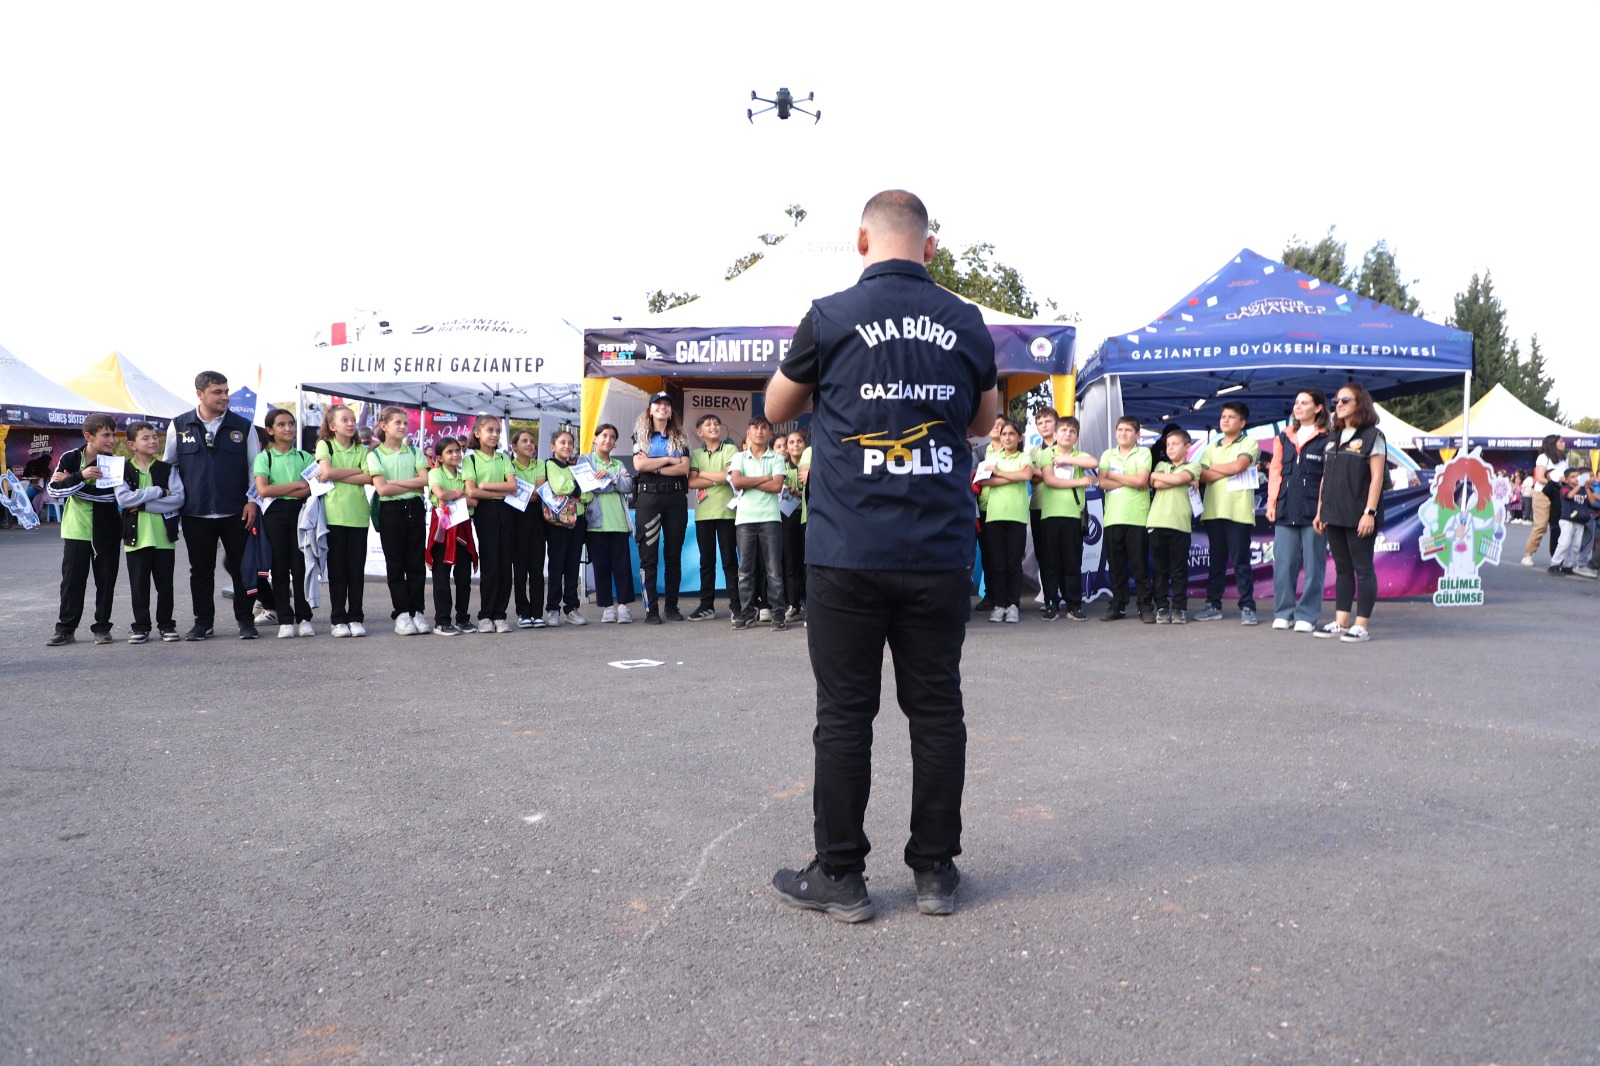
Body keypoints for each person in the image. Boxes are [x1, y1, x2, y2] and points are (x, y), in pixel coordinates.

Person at [765, 189, 998, 921]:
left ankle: (841, 875)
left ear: (862, 242)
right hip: (936, 547)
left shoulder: (829, 314)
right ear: (930, 248)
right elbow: (985, 420)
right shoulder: (965, 321)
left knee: (844, 715)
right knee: (936, 711)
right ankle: (934, 870)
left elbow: (776, 408)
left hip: (847, 547)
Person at [164, 370, 260, 640]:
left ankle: (246, 621)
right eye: (218, 392)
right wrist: (174, 502)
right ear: (200, 394)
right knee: (201, 571)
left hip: (237, 511)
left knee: (243, 569)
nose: (225, 397)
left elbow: (256, 467)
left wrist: (252, 500)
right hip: (195, 513)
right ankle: (202, 623)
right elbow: (169, 465)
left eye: (226, 391)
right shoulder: (179, 425)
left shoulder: (243, 426)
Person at [1314, 382, 1386, 644]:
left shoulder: (1372, 436)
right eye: (1337, 400)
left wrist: (1369, 512)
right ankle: (1341, 621)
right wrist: (1320, 509)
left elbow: (1377, 478)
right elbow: (1325, 477)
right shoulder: (1333, 436)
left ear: (1360, 403)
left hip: (1359, 513)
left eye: (1345, 400)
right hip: (1334, 512)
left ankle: (1361, 625)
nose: (1339, 404)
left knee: (1363, 568)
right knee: (1343, 569)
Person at [46, 414, 125, 646]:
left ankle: (102, 628)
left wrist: (72, 483)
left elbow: (108, 497)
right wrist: (81, 475)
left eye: (114, 435)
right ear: (88, 436)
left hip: (107, 531)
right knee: (72, 583)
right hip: (76, 531)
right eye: (106, 435)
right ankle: (65, 629)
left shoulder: (113, 463)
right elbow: (54, 492)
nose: (111, 440)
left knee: (106, 582)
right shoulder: (70, 458)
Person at [112, 421, 186, 644]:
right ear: (132, 444)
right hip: (136, 539)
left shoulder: (167, 469)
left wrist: (143, 504)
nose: (153, 441)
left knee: (165, 586)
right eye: (146, 438)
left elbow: (178, 499)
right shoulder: (123, 469)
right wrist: (158, 492)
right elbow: (123, 499)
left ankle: (166, 625)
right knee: (139, 585)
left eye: (155, 437)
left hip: (164, 537)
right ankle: (141, 626)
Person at [1267, 389, 1331, 633]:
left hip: (1314, 509)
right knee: (1283, 563)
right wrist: (1272, 502)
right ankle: (1283, 612)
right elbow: (1275, 471)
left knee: (1314, 565)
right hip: (1285, 506)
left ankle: (1307, 614)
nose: (1298, 406)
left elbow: (1329, 476)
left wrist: (1322, 511)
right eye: (1296, 402)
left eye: (1304, 403)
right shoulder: (1284, 437)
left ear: (1318, 408)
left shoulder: (1328, 437)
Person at [365, 406, 432, 636]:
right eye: (398, 422)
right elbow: (382, 489)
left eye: (405, 423)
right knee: (396, 564)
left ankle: (417, 611)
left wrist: (398, 483)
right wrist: (409, 481)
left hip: (414, 508)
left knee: (416, 563)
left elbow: (424, 480)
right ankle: (402, 613)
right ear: (384, 426)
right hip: (390, 511)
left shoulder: (414, 452)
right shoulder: (375, 455)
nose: (403, 426)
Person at [1193, 401, 1261, 625]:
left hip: (1238, 511)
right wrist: (1222, 469)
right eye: (1223, 416)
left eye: (1231, 417)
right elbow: (1201, 475)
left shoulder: (1249, 442)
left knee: (1241, 561)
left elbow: (1239, 466)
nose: (1225, 420)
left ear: (1242, 422)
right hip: (1213, 511)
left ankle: (1248, 606)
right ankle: (1213, 605)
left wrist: (1213, 469)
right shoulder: (1212, 447)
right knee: (1216, 562)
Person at [252, 408, 315, 638]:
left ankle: (304, 617)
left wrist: (296, 489)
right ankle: (285, 619)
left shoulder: (304, 457)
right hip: (274, 514)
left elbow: (311, 489)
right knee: (279, 566)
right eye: (281, 424)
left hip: (300, 512)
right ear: (270, 430)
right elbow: (263, 489)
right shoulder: (264, 457)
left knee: (300, 566)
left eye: (291, 423)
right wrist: (296, 485)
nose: (288, 428)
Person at [314, 404, 373, 637]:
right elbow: (325, 472)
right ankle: (338, 618)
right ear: (332, 426)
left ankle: (356, 617)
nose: (350, 424)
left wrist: (340, 472)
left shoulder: (362, 449)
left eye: (353, 420)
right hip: (333, 515)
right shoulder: (325, 445)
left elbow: (369, 477)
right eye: (344, 420)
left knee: (356, 570)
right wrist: (353, 472)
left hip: (358, 516)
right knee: (337, 570)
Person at [632, 392, 691, 624]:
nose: (663, 407)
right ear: (650, 409)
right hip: (649, 500)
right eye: (658, 404)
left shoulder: (681, 436)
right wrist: (669, 460)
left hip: (676, 499)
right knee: (649, 558)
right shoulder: (640, 434)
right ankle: (651, 610)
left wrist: (654, 465)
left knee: (673, 556)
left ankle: (672, 607)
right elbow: (639, 464)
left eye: (667, 404)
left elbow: (684, 468)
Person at [727, 416, 789, 631]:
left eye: (764, 428)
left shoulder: (777, 458)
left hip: (770, 518)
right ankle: (746, 612)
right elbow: (737, 481)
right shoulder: (739, 457)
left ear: (770, 433)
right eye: (755, 427)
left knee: (773, 570)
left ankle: (778, 612)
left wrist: (750, 482)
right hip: (745, 519)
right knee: (745, 569)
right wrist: (764, 478)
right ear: (748, 432)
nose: (759, 431)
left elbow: (776, 487)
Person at [1034, 415, 1096, 621]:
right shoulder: (1046, 454)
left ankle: (1073, 604)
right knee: (1050, 561)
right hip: (1050, 515)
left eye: (1072, 432)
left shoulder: (1079, 455)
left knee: (1072, 561)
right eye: (1063, 430)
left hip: (1073, 515)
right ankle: (1051, 602)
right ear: (1055, 434)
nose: (1067, 434)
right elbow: (1050, 481)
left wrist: (1067, 459)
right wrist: (1081, 481)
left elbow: (1094, 462)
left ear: (1076, 436)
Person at [462, 414, 515, 633]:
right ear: (477, 433)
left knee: (505, 564)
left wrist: (486, 486)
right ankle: (485, 615)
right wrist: (494, 488)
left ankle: (500, 615)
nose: (494, 435)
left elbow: (512, 486)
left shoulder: (503, 458)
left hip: (506, 510)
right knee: (490, 563)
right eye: (490, 430)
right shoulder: (470, 459)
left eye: (497, 431)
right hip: (484, 512)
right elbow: (472, 490)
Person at [1098, 415, 1154, 623]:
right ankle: (1118, 605)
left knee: (1139, 565)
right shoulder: (1108, 454)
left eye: (1128, 430)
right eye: (1120, 430)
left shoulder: (1144, 453)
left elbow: (1141, 481)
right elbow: (1101, 483)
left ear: (1137, 434)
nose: (1123, 433)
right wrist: (1127, 481)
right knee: (1116, 565)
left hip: (1137, 516)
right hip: (1113, 517)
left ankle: (1145, 606)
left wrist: (1114, 477)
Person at [976, 418, 1031, 623]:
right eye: (1004, 434)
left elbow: (1026, 475)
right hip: (994, 515)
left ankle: (1013, 605)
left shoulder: (1024, 456)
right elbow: (985, 480)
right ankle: (999, 605)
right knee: (997, 563)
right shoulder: (991, 458)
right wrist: (1009, 475)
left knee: (1013, 563)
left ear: (1019, 437)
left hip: (1016, 515)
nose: (1007, 437)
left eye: (1011, 434)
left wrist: (1000, 473)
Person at [686, 414, 740, 621]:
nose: (713, 426)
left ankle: (737, 605)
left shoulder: (730, 449)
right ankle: (706, 606)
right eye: (708, 424)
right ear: (699, 432)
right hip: (703, 515)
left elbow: (730, 476)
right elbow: (691, 482)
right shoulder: (696, 454)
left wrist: (703, 475)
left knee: (729, 561)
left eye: (717, 423)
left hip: (727, 512)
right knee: (706, 562)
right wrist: (719, 477)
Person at [1147, 427, 1202, 624]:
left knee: (1179, 569)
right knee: (1159, 569)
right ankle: (1162, 607)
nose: (1170, 448)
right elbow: (1156, 483)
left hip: (1180, 524)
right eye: (1168, 444)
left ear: (1187, 447)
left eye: (1175, 444)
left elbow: (1178, 478)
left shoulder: (1194, 466)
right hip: (1156, 522)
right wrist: (1173, 479)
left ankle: (1179, 608)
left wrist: (1164, 478)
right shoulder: (1161, 464)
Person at [537, 429, 590, 626]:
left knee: (572, 565)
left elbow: (588, 494)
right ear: (553, 447)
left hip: (578, 520)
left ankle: (571, 608)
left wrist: (576, 489)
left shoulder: (575, 467)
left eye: (570, 443)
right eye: (562, 442)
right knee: (556, 565)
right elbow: (560, 487)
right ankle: (552, 609)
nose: (567, 446)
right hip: (557, 522)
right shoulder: (549, 464)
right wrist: (578, 487)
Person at [585, 423, 636, 623]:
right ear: (595, 438)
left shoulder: (617, 465)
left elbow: (629, 486)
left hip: (620, 524)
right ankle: (607, 607)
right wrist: (615, 483)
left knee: (622, 567)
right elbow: (590, 485)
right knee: (601, 567)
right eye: (604, 435)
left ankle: (623, 606)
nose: (608, 439)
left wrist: (608, 477)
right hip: (596, 524)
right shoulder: (586, 460)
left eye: (612, 437)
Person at [426, 437, 476, 635]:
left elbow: (474, 501)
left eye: (458, 450)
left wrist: (455, 494)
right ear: (439, 456)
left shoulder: (465, 474)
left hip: (462, 525)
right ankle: (442, 621)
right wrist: (458, 492)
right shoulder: (435, 473)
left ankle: (463, 619)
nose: (455, 454)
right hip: (443, 526)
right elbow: (440, 494)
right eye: (449, 452)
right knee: (442, 576)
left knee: (463, 576)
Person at [507, 429, 547, 629]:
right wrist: (521, 490)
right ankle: (523, 612)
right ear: (514, 447)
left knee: (537, 569)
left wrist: (520, 489)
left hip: (536, 520)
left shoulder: (539, 464)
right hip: (516, 520)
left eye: (532, 441)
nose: (530, 444)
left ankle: (537, 613)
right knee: (520, 570)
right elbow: (511, 489)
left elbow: (539, 494)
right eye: (524, 441)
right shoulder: (508, 465)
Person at [1026, 406, 1058, 614]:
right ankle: (1050, 600)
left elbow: (1064, 474)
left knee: (1062, 555)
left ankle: (1069, 599)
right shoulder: (1033, 451)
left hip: (1061, 509)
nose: (1043, 425)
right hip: (1038, 506)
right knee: (1043, 556)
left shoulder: (1065, 446)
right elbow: (1031, 476)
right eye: (1040, 423)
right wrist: (1049, 473)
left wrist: (1043, 473)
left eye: (1047, 421)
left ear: (1056, 423)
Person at [1522, 435, 1567, 566]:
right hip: (1543, 492)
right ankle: (1528, 555)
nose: (1564, 443)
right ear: (1553, 443)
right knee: (1541, 526)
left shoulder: (1565, 459)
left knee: (1558, 526)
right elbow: (1540, 478)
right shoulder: (1543, 457)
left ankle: (1556, 557)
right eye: (1561, 441)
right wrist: (1556, 481)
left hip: (1558, 493)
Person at [781, 429, 811, 620]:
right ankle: (793, 604)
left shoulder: (813, 464)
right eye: (791, 442)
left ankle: (809, 602)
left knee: (807, 562)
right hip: (787, 517)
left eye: (799, 441)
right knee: (791, 561)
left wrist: (799, 493)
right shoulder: (781, 467)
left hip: (808, 517)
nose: (795, 445)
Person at [1550, 468, 1590, 575]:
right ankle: (1554, 564)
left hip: (1580, 520)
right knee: (1564, 542)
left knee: (1576, 545)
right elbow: (1570, 495)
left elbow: (1590, 501)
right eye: (1573, 477)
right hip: (1567, 519)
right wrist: (1579, 485)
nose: (1577, 478)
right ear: (1567, 480)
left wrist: (1587, 487)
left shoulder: (1583, 490)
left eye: (1578, 476)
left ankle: (1568, 565)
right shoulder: (1565, 488)